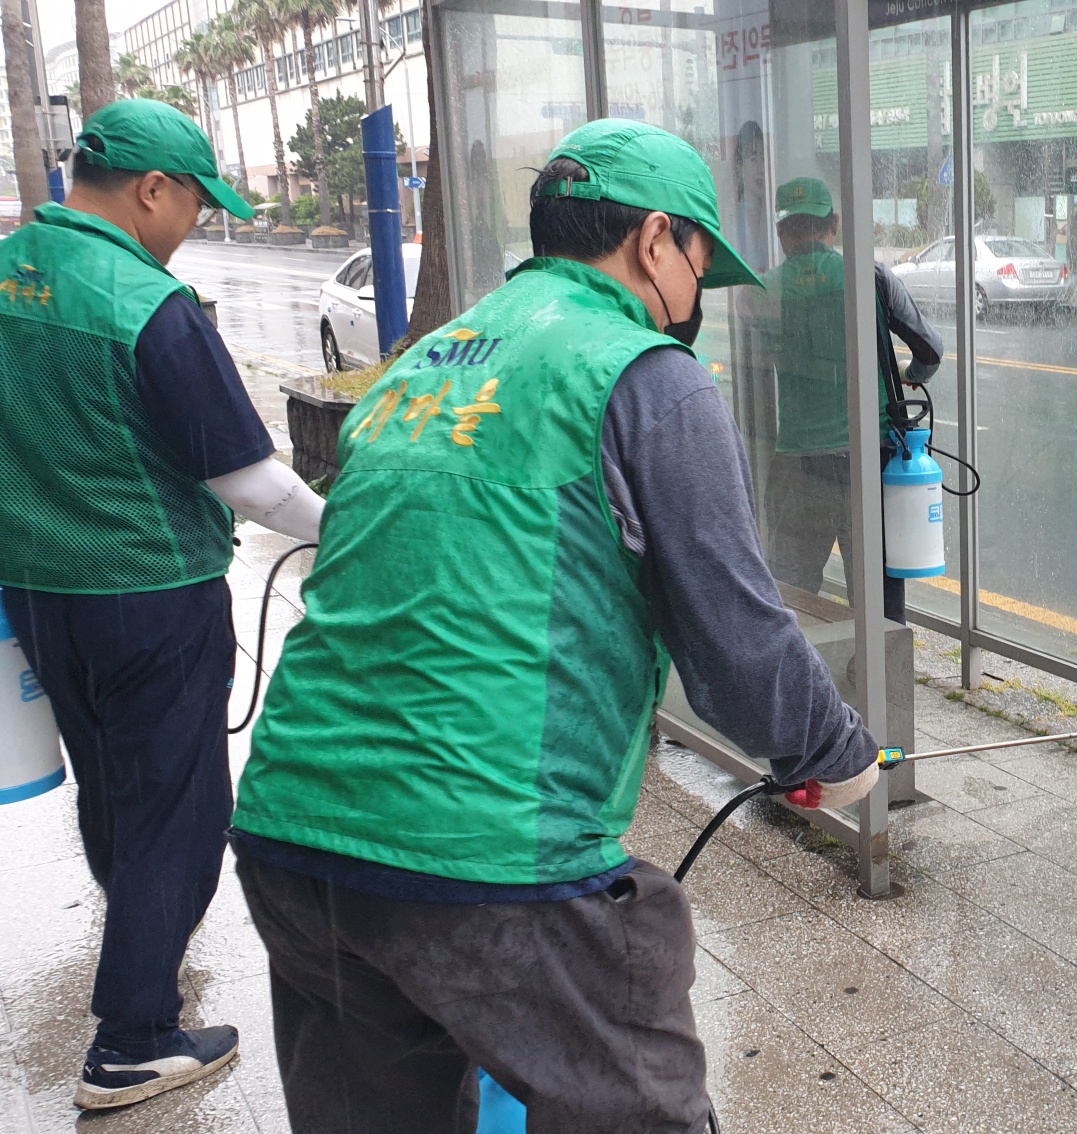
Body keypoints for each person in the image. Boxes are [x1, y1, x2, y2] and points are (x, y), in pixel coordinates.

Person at [227, 120, 882, 1133]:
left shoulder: (425, 363)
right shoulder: (644, 374)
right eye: (700, 264)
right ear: (656, 241)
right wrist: (838, 755)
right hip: (488, 859)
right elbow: (735, 641)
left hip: (292, 834)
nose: (697, 298)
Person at [0, 98, 324, 1110]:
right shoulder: (147, 304)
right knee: (181, 811)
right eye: (194, 202)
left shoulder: (8, 268)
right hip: (151, 595)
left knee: (113, 787)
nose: (194, 224)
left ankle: (141, 959)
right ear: (152, 189)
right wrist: (357, 535)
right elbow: (250, 482)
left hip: (43, 595)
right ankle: (133, 1036)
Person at [760, 176, 943, 620]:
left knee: (794, 590)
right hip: (871, 457)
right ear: (834, 224)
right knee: (878, 591)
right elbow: (931, 351)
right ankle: (884, 685)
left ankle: (811, 684)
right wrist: (909, 375)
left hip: (800, 461)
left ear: (782, 232)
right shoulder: (872, 277)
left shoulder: (763, 288)